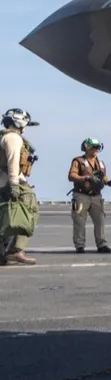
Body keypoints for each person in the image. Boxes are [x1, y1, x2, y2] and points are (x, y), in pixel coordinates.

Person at [0, 108, 40, 266]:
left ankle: (3, 253)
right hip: (11, 182)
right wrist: (15, 184)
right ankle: (15, 250)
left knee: (4, 217)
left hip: (2, 183)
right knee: (28, 212)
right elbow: (13, 162)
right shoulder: (13, 138)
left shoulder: (4, 136)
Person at [67, 137, 111, 253]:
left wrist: (109, 182)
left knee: (100, 220)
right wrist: (85, 178)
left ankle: (101, 244)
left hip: (96, 196)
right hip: (81, 195)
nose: (96, 150)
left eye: (98, 147)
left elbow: (102, 176)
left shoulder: (100, 163)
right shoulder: (78, 161)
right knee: (79, 221)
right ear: (87, 148)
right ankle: (79, 245)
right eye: (93, 147)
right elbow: (71, 175)